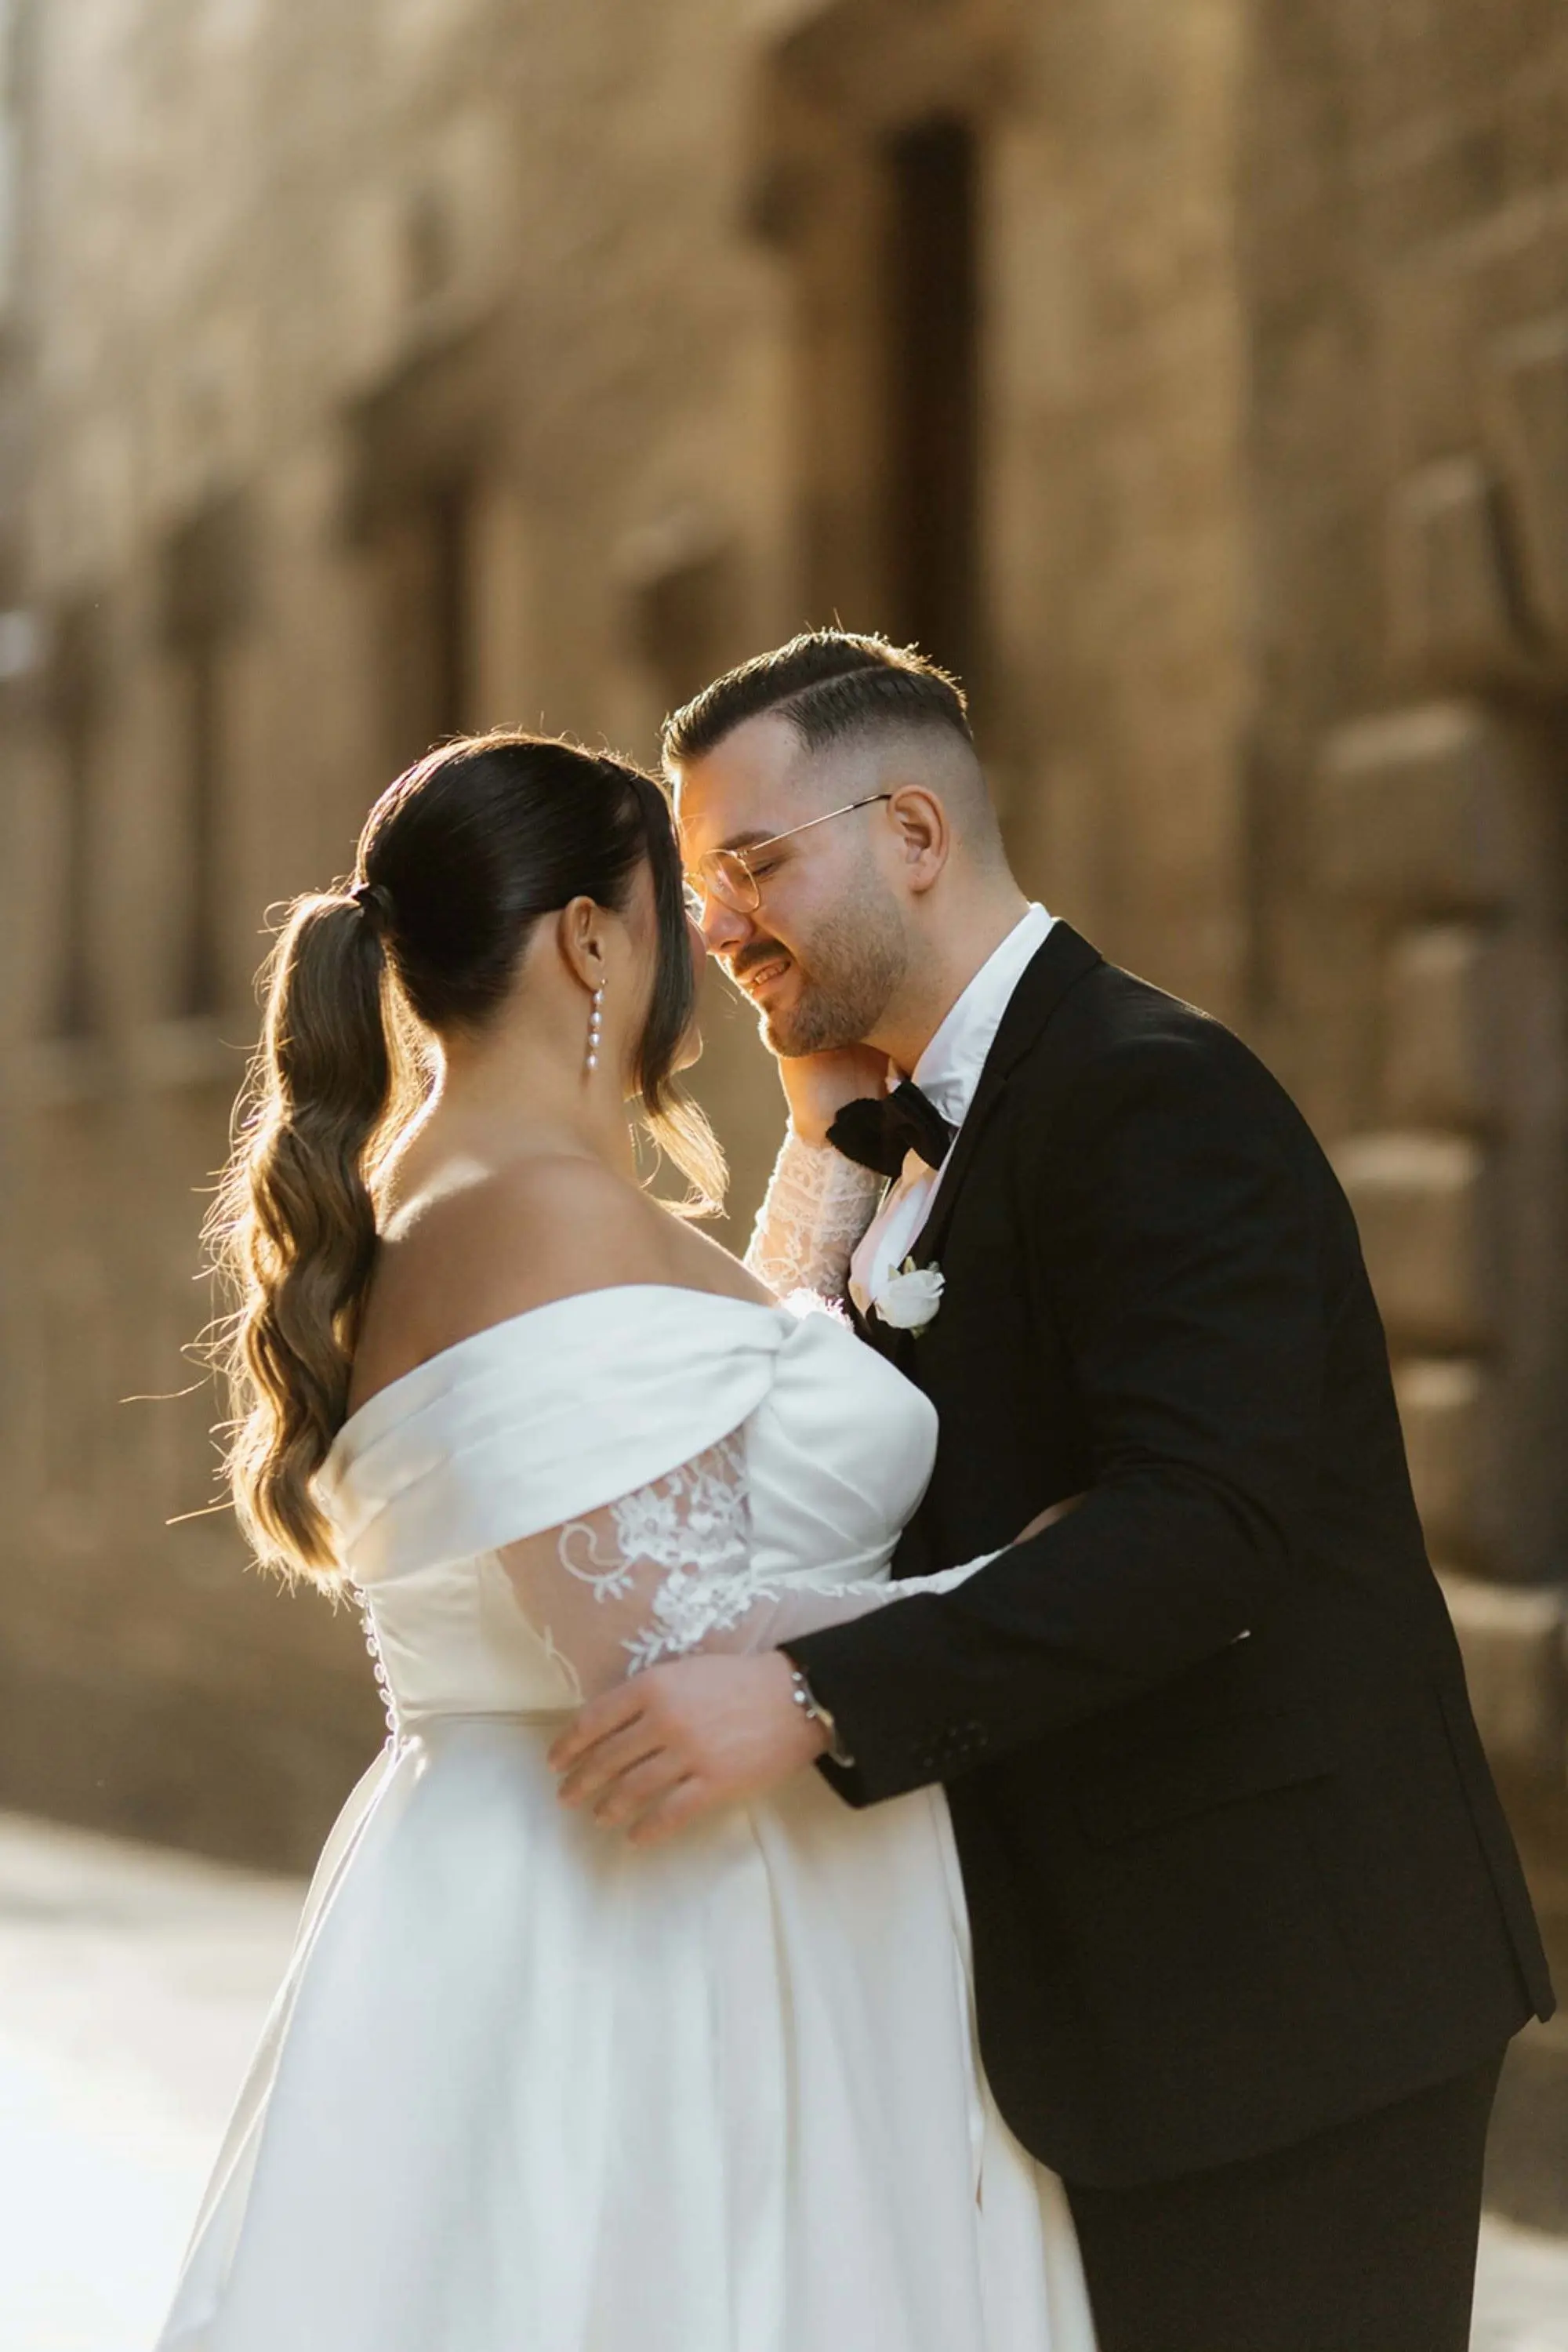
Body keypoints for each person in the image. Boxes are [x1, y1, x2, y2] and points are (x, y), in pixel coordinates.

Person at [552, 631, 1557, 2352]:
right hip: (1087, 2002)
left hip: (1277, 1997)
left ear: (917, 835)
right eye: (702, 878)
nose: (714, 928)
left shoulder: (1151, 1097)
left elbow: (1205, 1532)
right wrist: (818, 1149)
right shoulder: (902, 1122)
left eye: (753, 863)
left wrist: (804, 1693)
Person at [156, 730, 1098, 2352]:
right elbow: (671, 1651)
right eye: (678, 905)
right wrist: (1033, 1574)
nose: (708, 948)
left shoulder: (463, 1194)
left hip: (561, 1892)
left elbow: (682, 1424)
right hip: (665, 1934)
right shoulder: (532, 1211)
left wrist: (812, 1156)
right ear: (590, 939)